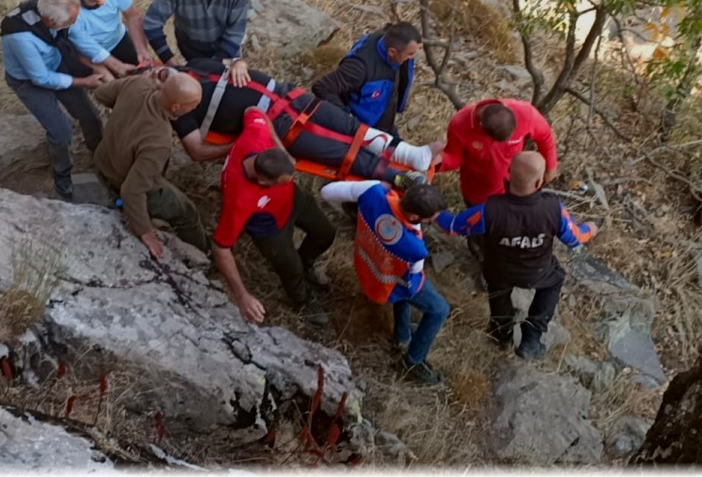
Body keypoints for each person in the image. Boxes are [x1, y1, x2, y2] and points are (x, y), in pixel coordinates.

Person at [153, 60, 440, 185]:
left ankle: (411, 154)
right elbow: (197, 151)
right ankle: (400, 178)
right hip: (279, 129)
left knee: (355, 130)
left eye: (153, 71)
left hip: (291, 97)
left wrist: (239, 62)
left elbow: (232, 61)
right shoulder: (181, 111)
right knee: (344, 155)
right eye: (153, 80)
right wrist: (242, 143)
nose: (158, 75)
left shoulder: (196, 65)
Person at [436, 152, 596, 360]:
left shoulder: (489, 210)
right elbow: (575, 238)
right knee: (554, 280)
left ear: (509, 174)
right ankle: (531, 337)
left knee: (498, 291)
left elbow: (452, 227)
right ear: (539, 181)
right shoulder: (553, 208)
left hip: (498, 270)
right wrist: (591, 229)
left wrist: (433, 209)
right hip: (537, 272)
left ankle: (501, 336)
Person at [211, 107, 335, 329]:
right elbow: (221, 247)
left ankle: (306, 264)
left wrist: (281, 149)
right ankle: (303, 301)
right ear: (264, 183)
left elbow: (254, 111)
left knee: (325, 232)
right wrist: (242, 296)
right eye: (282, 180)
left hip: (292, 200)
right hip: (268, 225)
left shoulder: (256, 137)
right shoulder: (240, 198)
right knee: (290, 267)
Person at [320, 180, 451, 386]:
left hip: (368, 266)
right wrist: (416, 228)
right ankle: (413, 362)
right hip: (392, 281)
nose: (433, 220)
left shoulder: (372, 193)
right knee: (439, 310)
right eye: (430, 219)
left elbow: (326, 191)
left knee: (404, 290)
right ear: (415, 217)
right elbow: (414, 275)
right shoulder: (415, 248)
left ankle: (403, 336)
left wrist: (377, 184)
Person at [0, 0, 107, 199]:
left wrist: (103, 61)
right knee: (61, 132)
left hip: (54, 65)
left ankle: (101, 158)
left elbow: (77, 35)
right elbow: (40, 78)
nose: (73, 24)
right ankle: (62, 177)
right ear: (51, 22)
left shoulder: (53, 6)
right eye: (70, 22)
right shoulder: (20, 37)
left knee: (91, 117)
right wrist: (84, 81)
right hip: (28, 82)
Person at [92, 72, 209, 259]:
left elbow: (100, 94)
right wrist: (144, 232)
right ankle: (203, 253)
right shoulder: (158, 140)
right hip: (121, 181)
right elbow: (132, 190)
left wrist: (125, 109)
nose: (195, 107)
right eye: (193, 105)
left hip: (104, 161)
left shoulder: (137, 83)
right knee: (187, 212)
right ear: (176, 107)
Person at [143, 0, 252, 86]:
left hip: (227, 51)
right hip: (191, 49)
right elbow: (152, 22)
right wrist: (169, 59)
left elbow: (236, 30)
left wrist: (216, 64)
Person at [439, 98, 558, 207]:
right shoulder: (460, 124)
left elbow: (545, 136)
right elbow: (454, 157)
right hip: (479, 196)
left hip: (515, 192)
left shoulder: (526, 113)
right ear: (482, 127)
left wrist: (550, 167)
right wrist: (435, 163)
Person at [312, 22, 422, 134]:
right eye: (410, 54)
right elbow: (322, 87)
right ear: (392, 52)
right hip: (363, 133)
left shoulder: (392, 44)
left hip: (384, 126)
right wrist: (348, 120)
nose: (412, 58)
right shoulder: (359, 67)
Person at [65, 0, 154, 76]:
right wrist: (116, 66)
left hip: (118, 37)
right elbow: (82, 41)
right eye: (94, 2)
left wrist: (141, 50)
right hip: (87, 53)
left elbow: (133, 16)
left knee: (144, 72)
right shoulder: (66, 2)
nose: (101, 3)